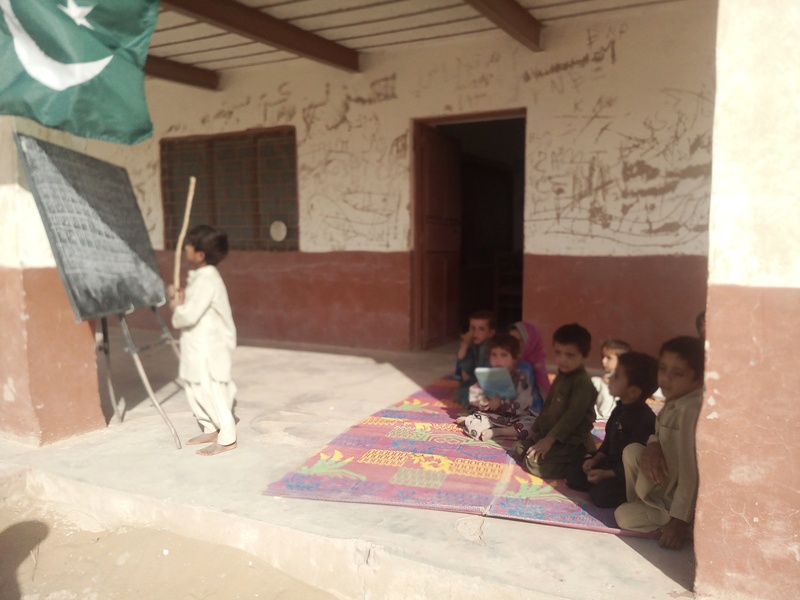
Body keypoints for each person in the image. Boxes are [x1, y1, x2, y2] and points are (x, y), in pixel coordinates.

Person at [614, 336, 704, 549]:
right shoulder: (675, 399)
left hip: (676, 496)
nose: (666, 378)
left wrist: (679, 520)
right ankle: (644, 506)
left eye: (677, 373)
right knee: (633, 451)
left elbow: (691, 472)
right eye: (663, 369)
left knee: (622, 516)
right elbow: (658, 429)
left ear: (699, 380)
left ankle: (677, 523)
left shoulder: (691, 409)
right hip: (664, 477)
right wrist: (654, 445)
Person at [168, 224, 238, 456]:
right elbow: (192, 306)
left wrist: (177, 306)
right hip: (197, 342)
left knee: (212, 387)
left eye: (190, 245)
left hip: (210, 344)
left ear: (200, 255)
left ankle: (227, 437)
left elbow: (189, 314)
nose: (186, 248)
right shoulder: (201, 277)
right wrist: (180, 299)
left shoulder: (208, 279)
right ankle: (210, 427)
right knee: (194, 384)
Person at [566, 352, 658, 508]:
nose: (610, 378)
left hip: (625, 473)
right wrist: (595, 460)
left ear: (633, 391)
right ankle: (597, 482)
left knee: (600, 495)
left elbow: (635, 464)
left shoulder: (643, 419)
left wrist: (606, 474)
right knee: (574, 473)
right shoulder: (620, 409)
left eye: (617, 376)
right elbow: (608, 443)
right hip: (609, 463)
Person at [516, 323, 597, 479]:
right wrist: (536, 429)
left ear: (584, 355)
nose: (562, 360)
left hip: (572, 440)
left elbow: (572, 417)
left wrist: (549, 440)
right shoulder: (562, 375)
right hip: (551, 433)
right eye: (558, 353)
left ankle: (582, 459)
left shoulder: (583, 383)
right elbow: (549, 405)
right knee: (520, 449)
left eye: (570, 355)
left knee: (531, 463)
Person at [456, 333, 543, 441]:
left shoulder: (520, 377)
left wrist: (501, 402)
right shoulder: (488, 375)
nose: (498, 359)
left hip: (517, 417)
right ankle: (473, 421)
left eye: (503, 355)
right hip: (492, 417)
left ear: (514, 358)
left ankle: (498, 432)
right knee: (476, 426)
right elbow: (475, 393)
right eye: (494, 355)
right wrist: (483, 401)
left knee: (533, 426)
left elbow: (524, 402)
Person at [455, 310, 496, 407]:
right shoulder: (472, 345)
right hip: (475, 381)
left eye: (481, 329)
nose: (475, 333)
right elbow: (464, 373)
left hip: (490, 384)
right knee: (462, 393)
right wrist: (464, 345)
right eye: (472, 328)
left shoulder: (491, 348)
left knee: (468, 396)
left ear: (490, 333)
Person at [509, 321, 552, 397]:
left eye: (519, 341)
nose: (514, 345)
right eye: (511, 340)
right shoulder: (506, 362)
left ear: (530, 343)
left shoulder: (527, 367)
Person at [592, 339, 632, 420]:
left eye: (609, 358)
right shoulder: (597, 382)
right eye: (602, 357)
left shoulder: (630, 383)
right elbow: (603, 411)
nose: (603, 361)